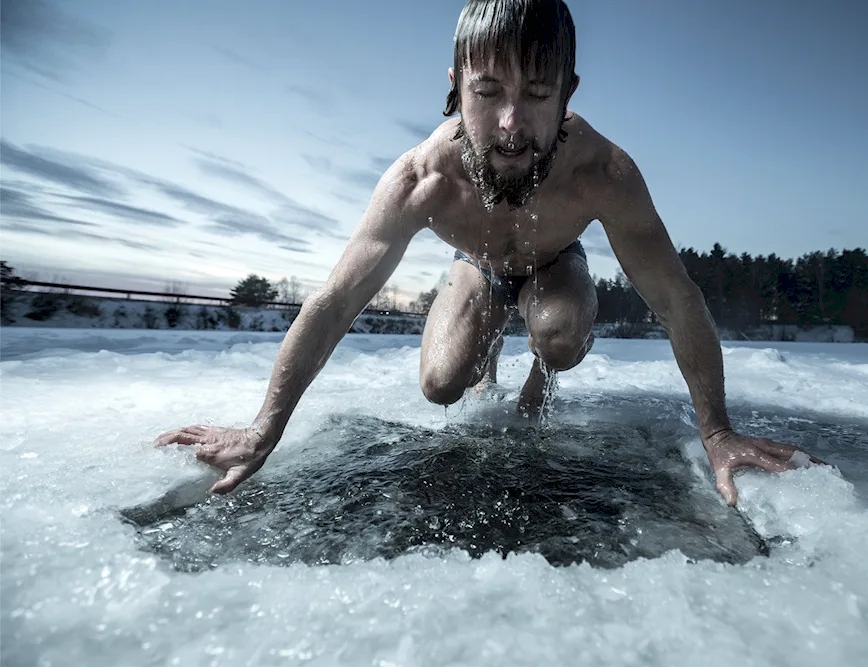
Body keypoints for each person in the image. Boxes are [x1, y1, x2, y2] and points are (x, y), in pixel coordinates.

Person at [155, 0, 821, 505]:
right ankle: (489, 333)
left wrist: (717, 432)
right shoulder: (423, 179)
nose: (510, 125)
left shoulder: (603, 172)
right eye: (488, 92)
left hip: (556, 266)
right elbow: (334, 302)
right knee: (441, 384)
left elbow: (677, 299)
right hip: (476, 265)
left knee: (557, 337)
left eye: (536, 95)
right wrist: (262, 429)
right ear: (456, 85)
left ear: (567, 93)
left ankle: (541, 368)